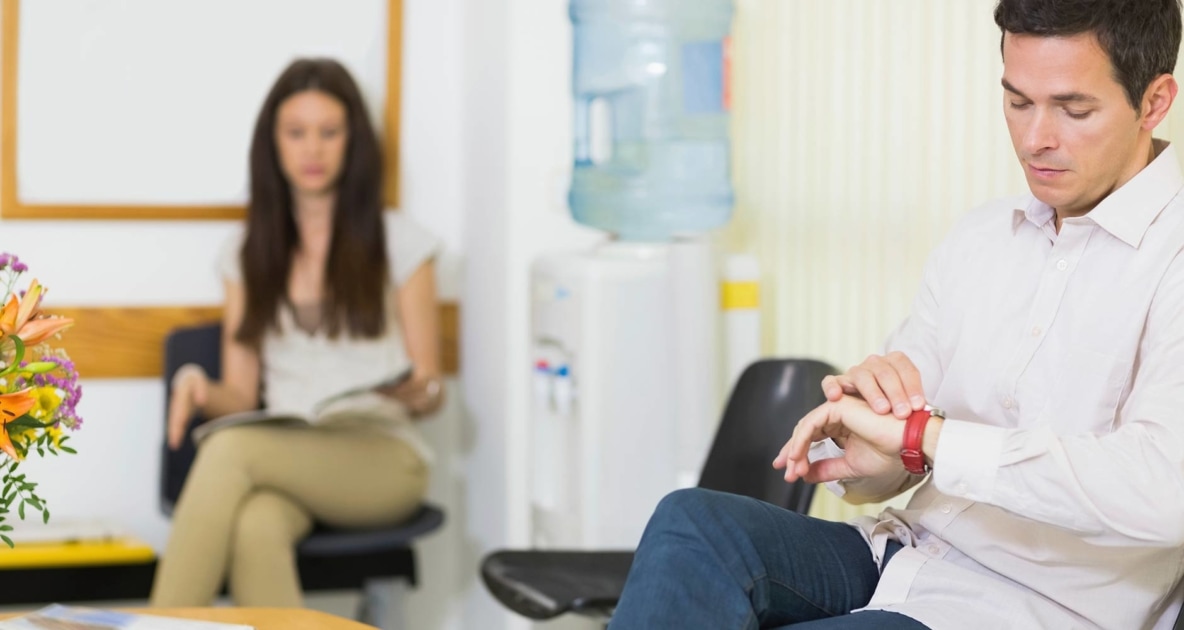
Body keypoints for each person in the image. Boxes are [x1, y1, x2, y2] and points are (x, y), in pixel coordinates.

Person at [609, 0, 1184, 628]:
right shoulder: (981, 238)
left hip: (1029, 606)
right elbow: (894, 460)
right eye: (1017, 102)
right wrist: (877, 450)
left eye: (1073, 110)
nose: (1033, 137)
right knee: (694, 522)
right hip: (903, 554)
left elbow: (1164, 489)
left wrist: (927, 439)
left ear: (1153, 103)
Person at [150, 58, 444, 608]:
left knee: (230, 449)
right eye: (297, 133)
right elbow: (238, 394)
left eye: (329, 133)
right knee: (256, 524)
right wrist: (195, 383)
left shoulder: (403, 243)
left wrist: (418, 389)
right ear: (273, 143)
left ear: (353, 141)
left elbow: (432, 391)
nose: (313, 149)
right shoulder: (244, 254)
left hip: (381, 456)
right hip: (293, 452)